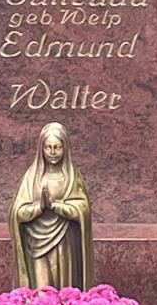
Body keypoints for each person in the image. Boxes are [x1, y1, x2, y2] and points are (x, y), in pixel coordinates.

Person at [9, 122, 94, 289]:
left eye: (57, 147)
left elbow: (83, 207)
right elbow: (17, 212)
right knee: (41, 292)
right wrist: (39, 208)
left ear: (65, 148)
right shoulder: (32, 178)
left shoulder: (71, 178)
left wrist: (57, 207)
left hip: (64, 242)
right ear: (41, 149)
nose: (53, 152)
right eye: (48, 147)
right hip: (36, 243)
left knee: (64, 292)